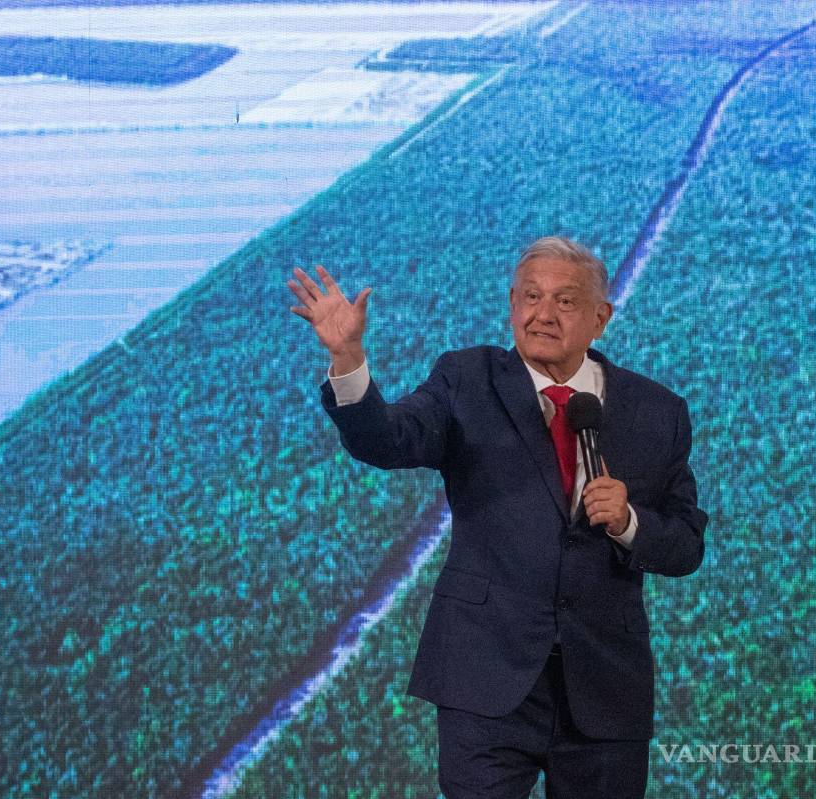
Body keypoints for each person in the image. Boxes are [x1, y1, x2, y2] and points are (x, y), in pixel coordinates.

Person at [287, 236, 708, 798]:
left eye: (564, 301)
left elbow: (686, 544)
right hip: (486, 681)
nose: (543, 314)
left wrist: (630, 522)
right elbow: (388, 440)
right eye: (531, 296)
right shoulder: (467, 380)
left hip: (605, 689)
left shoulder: (656, 412)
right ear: (512, 304)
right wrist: (347, 358)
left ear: (600, 318)